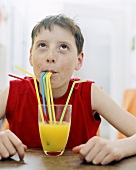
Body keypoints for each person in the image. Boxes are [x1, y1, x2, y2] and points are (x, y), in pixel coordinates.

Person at [0, 14, 136, 165]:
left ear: (79, 60)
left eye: (63, 47)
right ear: (31, 56)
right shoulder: (13, 92)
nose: (50, 57)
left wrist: (121, 146)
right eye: (42, 45)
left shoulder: (91, 93)